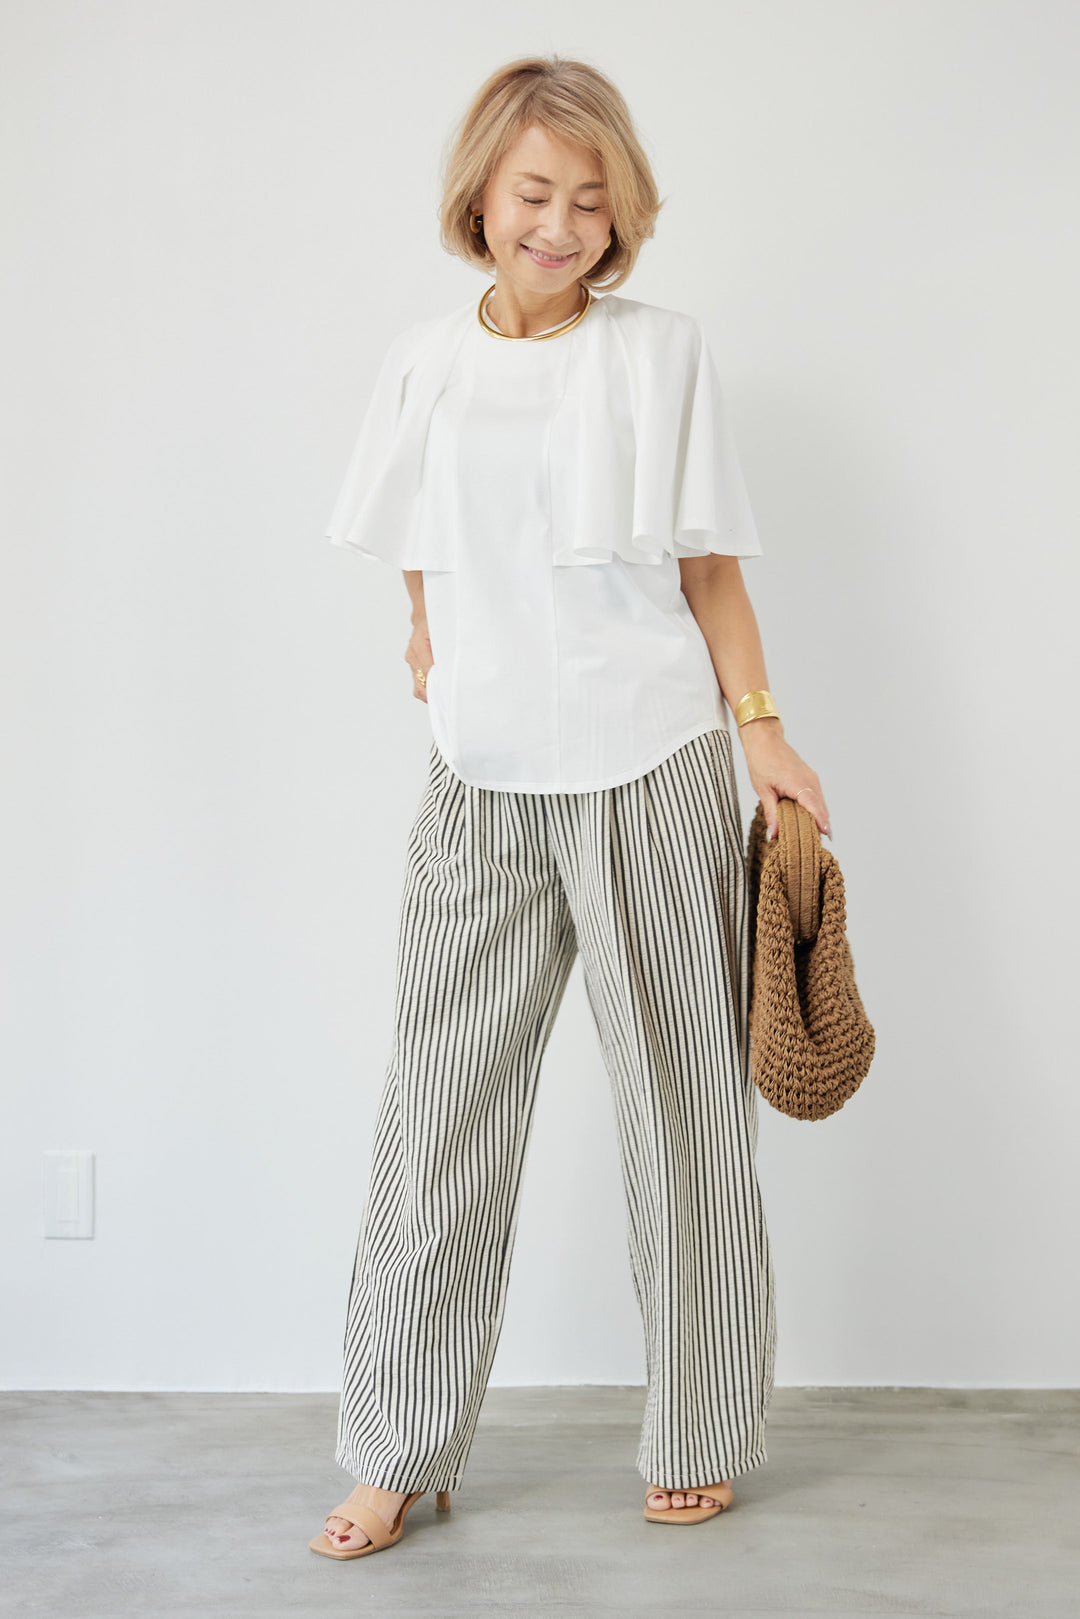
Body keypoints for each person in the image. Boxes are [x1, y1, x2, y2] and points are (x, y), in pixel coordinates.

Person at [310, 54, 832, 1562]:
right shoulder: (424, 364)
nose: (561, 226)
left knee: (684, 1117)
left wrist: (764, 735)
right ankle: (398, 1445)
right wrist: (430, 638)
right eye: (535, 193)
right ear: (480, 193)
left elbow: (709, 568)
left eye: (593, 202)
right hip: (479, 781)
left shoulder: (660, 354)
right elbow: (416, 542)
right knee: (437, 1120)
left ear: (625, 214)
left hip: (650, 766)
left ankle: (701, 1430)